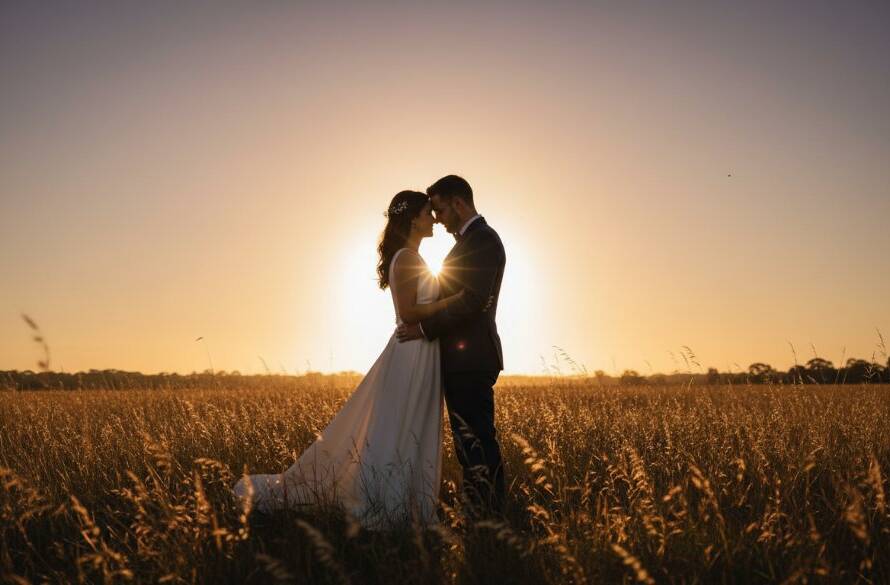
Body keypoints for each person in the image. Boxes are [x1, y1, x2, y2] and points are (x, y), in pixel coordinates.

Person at [232, 190, 463, 528]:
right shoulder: (406, 258)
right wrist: (453, 301)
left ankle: (407, 501)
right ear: (413, 218)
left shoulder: (412, 256)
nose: (433, 219)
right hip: (411, 353)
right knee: (398, 425)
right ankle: (386, 501)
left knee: (411, 424)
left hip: (423, 352)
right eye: (428, 213)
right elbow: (408, 312)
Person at [397, 174, 506, 515]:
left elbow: (472, 299)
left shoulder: (483, 240)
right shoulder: (467, 243)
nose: (438, 219)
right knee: (468, 443)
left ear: (459, 203)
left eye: (441, 209)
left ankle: (488, 515)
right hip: (462, 359)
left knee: (477, 442)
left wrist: (425, 327)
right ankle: (482, 512)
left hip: (472, 358)